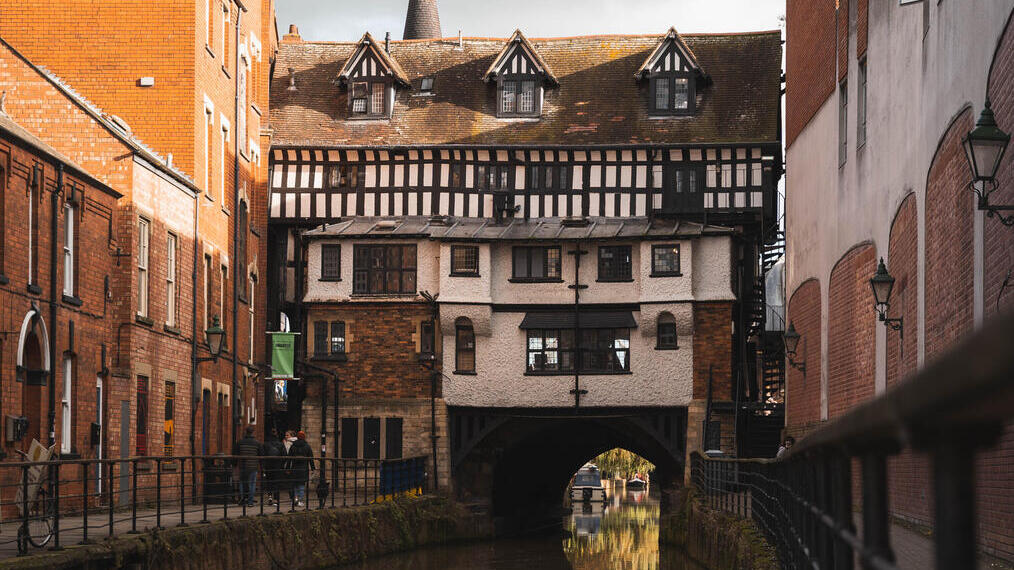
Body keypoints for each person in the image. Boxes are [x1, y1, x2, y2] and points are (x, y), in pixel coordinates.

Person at [233, 425, 264, 507]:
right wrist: (262, 467)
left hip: (243, 466)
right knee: (252, 484)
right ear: (253, 432)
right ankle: (250, 502)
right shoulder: (257, 443)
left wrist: (234, 464)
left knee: (242, 483)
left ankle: (242, 499)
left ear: (246, 432)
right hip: (253, 466)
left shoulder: (240, 442)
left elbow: (235, 453)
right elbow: (261, 455)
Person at [287, 430, 315, 508]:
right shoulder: (307, 446)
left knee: (295, 485)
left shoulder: (293, 446)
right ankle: (300, 500)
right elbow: (311, 458)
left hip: (294, 468)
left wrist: (287, 468)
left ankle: (295, 499)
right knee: (301, 485)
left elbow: (289, 458)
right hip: (303, 468)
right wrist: (313, 468)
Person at [262, 428, 285, 506]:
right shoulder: (281, 444)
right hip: (277, 466)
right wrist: (282, 465)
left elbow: (262, 455)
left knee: (269, 482)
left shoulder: (265, 444)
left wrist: (263, 466)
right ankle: (276, 499)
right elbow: (284, 455)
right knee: (276, 482)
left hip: (268, 465)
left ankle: (270, 497)